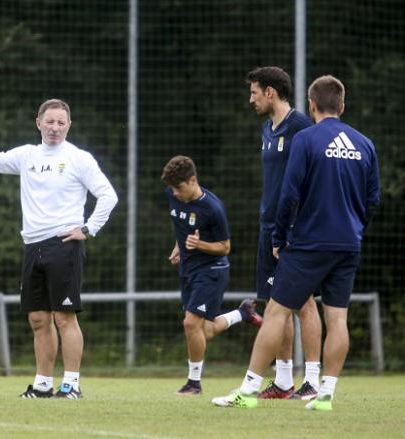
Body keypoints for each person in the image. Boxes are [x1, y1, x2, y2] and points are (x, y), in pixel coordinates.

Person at [0, 98, 118, 399]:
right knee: (38, 319)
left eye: (61, 122)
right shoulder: (27, 155)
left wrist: (88, 228)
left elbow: (108, 195)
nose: (55, 127)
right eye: (50, 121)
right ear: (38, 123)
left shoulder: (80, 158)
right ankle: (42, 384)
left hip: (64, 245)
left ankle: (71, 384)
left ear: (69, 126)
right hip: (32, 246)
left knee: (64, 317)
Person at [212, 75, 380, 411]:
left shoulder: (305, 138)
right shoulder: (365, 144)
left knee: (275, 311)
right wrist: (355, 228)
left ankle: (247, 391)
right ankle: (325, 394)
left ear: (313, 105)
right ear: (342, 106)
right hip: (348, 243)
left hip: (309, 243)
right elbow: (372, 198)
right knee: (337, 318)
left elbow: (289, 194)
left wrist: (280, 238)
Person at [246, 66, 323, 400]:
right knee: (275, 303)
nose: (250, 99)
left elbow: (318, 180)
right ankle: (282, 381)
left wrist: (296, 226)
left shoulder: (303, 128)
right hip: (269, 229)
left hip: (295, 231)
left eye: (253, 92)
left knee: (304, 303)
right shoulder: (266, 128)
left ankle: (313, 382)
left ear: (270, 92)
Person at [162, 155, 263, 396]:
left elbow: (225, 247)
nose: (175, 193)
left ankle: (194, 383)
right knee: (203, 331)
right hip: (188, 270)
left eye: (179, 187)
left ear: (193, 180)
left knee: (190, 323)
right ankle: (243, 313)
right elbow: (182, 228)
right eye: (172, 188)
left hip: (212, 270)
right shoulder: (173, 195)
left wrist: (199, 245)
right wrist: (179, 246)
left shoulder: (212, 208)